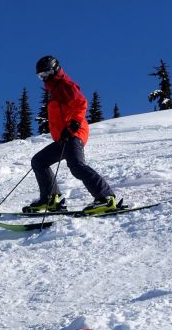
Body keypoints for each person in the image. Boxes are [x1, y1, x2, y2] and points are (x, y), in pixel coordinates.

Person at [25, 56, 118, 214]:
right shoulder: (55, 89)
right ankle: (50, 199)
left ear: (54, 70)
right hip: (65, 137)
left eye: (46, 73)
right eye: (41, 76)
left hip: (74, 133)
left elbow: (81, 102)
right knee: (39, 161)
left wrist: (73, 124)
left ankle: (105, 198)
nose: (44, 78)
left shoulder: (64, 85)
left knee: (76, 166)